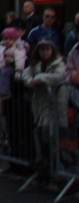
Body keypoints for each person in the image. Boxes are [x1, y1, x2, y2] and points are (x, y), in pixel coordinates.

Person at [21, 39, 66, 178]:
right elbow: (25, 73)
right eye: (42, 50)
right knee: (40, 133)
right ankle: (46, 167)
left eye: (47, 50)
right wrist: (30, 81)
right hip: (40, 103)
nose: (45, 53)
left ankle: (54, 167)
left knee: (49, 134)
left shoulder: (58, 63)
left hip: (54, 104)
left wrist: (39, 78)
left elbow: (58, 76)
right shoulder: (36, 63)